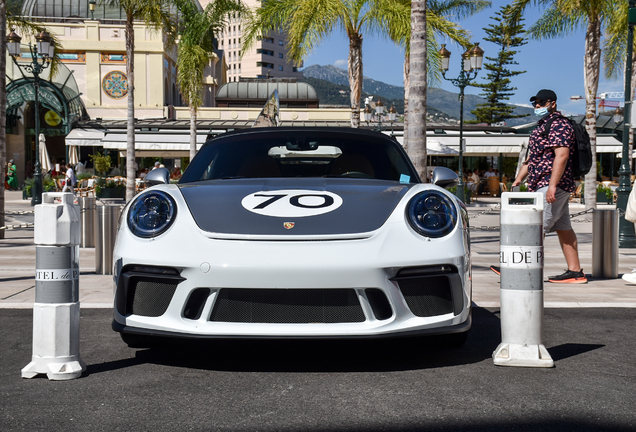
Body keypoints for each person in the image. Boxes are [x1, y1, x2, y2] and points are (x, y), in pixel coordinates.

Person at [491, 89, 586, 283]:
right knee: (563, 227)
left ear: (552, 103)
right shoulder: (543, 125)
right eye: (535, 102)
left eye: (541, 102)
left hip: (551, 185)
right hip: (542, 184)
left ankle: (517, 268)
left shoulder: (559, 124)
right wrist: (519, 179)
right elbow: (532, 158)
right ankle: (575, 272)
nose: (537, 106)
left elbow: (562, 155)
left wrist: (552, 185)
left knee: (536, 226)